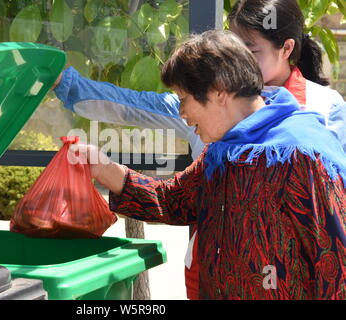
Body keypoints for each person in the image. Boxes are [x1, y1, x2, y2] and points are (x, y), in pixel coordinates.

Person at [69, 30, 346, 300]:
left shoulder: (302, 155)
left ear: (218, 92)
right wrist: (102, 168)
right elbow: (172, 200)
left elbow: (337, 269)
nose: (183, 116)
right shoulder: (223, 150)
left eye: (183, 100)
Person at [53, 0, 346, 156]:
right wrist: (62, 81)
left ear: (287, 48)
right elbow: (130, 104)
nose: (238, 58)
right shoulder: (199, 98)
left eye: (251, 50)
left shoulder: (323, 108)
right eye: (233, 45)